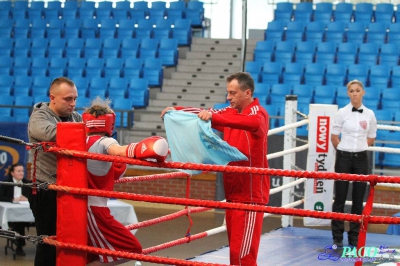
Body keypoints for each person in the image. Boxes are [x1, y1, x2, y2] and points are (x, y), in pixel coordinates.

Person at [161, 72, 269, 265]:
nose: (228, 97)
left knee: (244, 255)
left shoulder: (258, 113)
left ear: (247, 93)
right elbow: (204, 111)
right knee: (235, 251)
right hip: (233, 193)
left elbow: (252, 123)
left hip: (251, 197)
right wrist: (177, 110)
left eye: (233, 93)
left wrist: (215, 118)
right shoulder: (229, 111)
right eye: (228, 93)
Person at [83, 97, 169, 265]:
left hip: (86, 206)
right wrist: (145, 149)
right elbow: (119, 150)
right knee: (132, 249)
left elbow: (109, 171)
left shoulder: (80, 141)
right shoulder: (105, 141)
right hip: (94, 210)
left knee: (91, 254)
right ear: (109, 123)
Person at [28, 77, 82, 266]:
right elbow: (56, 134)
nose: (73, 104)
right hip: (45, 188)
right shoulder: (40, 117)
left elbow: (85, 137)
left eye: (75, 98)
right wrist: (86, 129)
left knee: (70, 241)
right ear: (53, 97)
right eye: (68, 99)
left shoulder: (75, 117)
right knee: (49, 242)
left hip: (69, 187)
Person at [331, 79, 377, 247]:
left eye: (358, 90)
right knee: (340, 198)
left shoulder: (370, 114)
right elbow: (334, 137)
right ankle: (337, 237)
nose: (355, 93)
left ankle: (354, 236)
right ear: (348, 93)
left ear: (363, 92)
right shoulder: (342, 112)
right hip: (343, 157)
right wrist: (345, 150)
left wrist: (359, 148)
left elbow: (371, 137)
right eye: (352, 91)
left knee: (358, 199)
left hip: (361, 159)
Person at [0, 163, 31, 256]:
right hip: (10, 213)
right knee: (18, 221)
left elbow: (33, 196)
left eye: (22, 171)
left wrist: (27, 198)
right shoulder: (6, 183)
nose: (21, 173)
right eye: (19, 171)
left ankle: (19, 244)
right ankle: (19, 244)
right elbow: (1, 196)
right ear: (12, 173)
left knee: (20, 220)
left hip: (24, 212)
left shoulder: (27, 183)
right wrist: (13, 199)